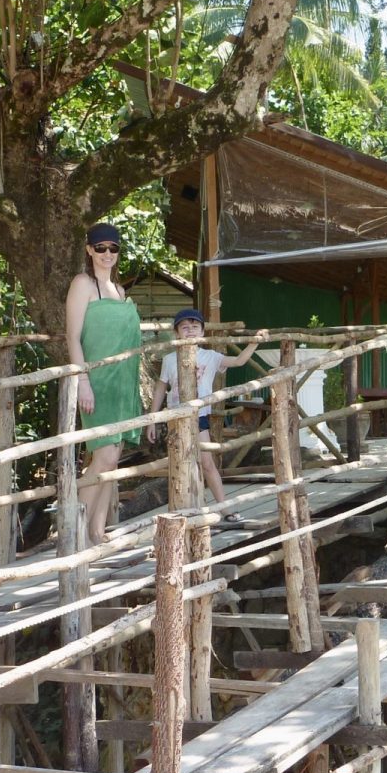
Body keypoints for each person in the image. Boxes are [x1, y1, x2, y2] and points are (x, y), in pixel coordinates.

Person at [146, 309, 267, 520]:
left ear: (202, 331)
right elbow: (160, 389)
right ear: (176, 333)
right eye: (184, 327)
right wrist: (152, 420)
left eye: (195, 327)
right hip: (175, 419)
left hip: (199, 417)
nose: (190, 331)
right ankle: (180, 511)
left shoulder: (211, 356)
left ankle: (224, 508)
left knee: (207, 462)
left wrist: (254, 342)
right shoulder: (168, 359)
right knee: (179, 463)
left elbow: (238, 361)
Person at [65, 222, 142, 546]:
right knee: (104, 458)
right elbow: (73, 337)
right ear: (89, 250)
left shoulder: (120, 291)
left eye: (113, 248)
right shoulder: (83, 283)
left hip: (122, 385)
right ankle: (73, 533)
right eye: (101, 248)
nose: (107, 254)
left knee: (113, 458)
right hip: (95, 382)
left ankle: (96, 531)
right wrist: (82, 381)